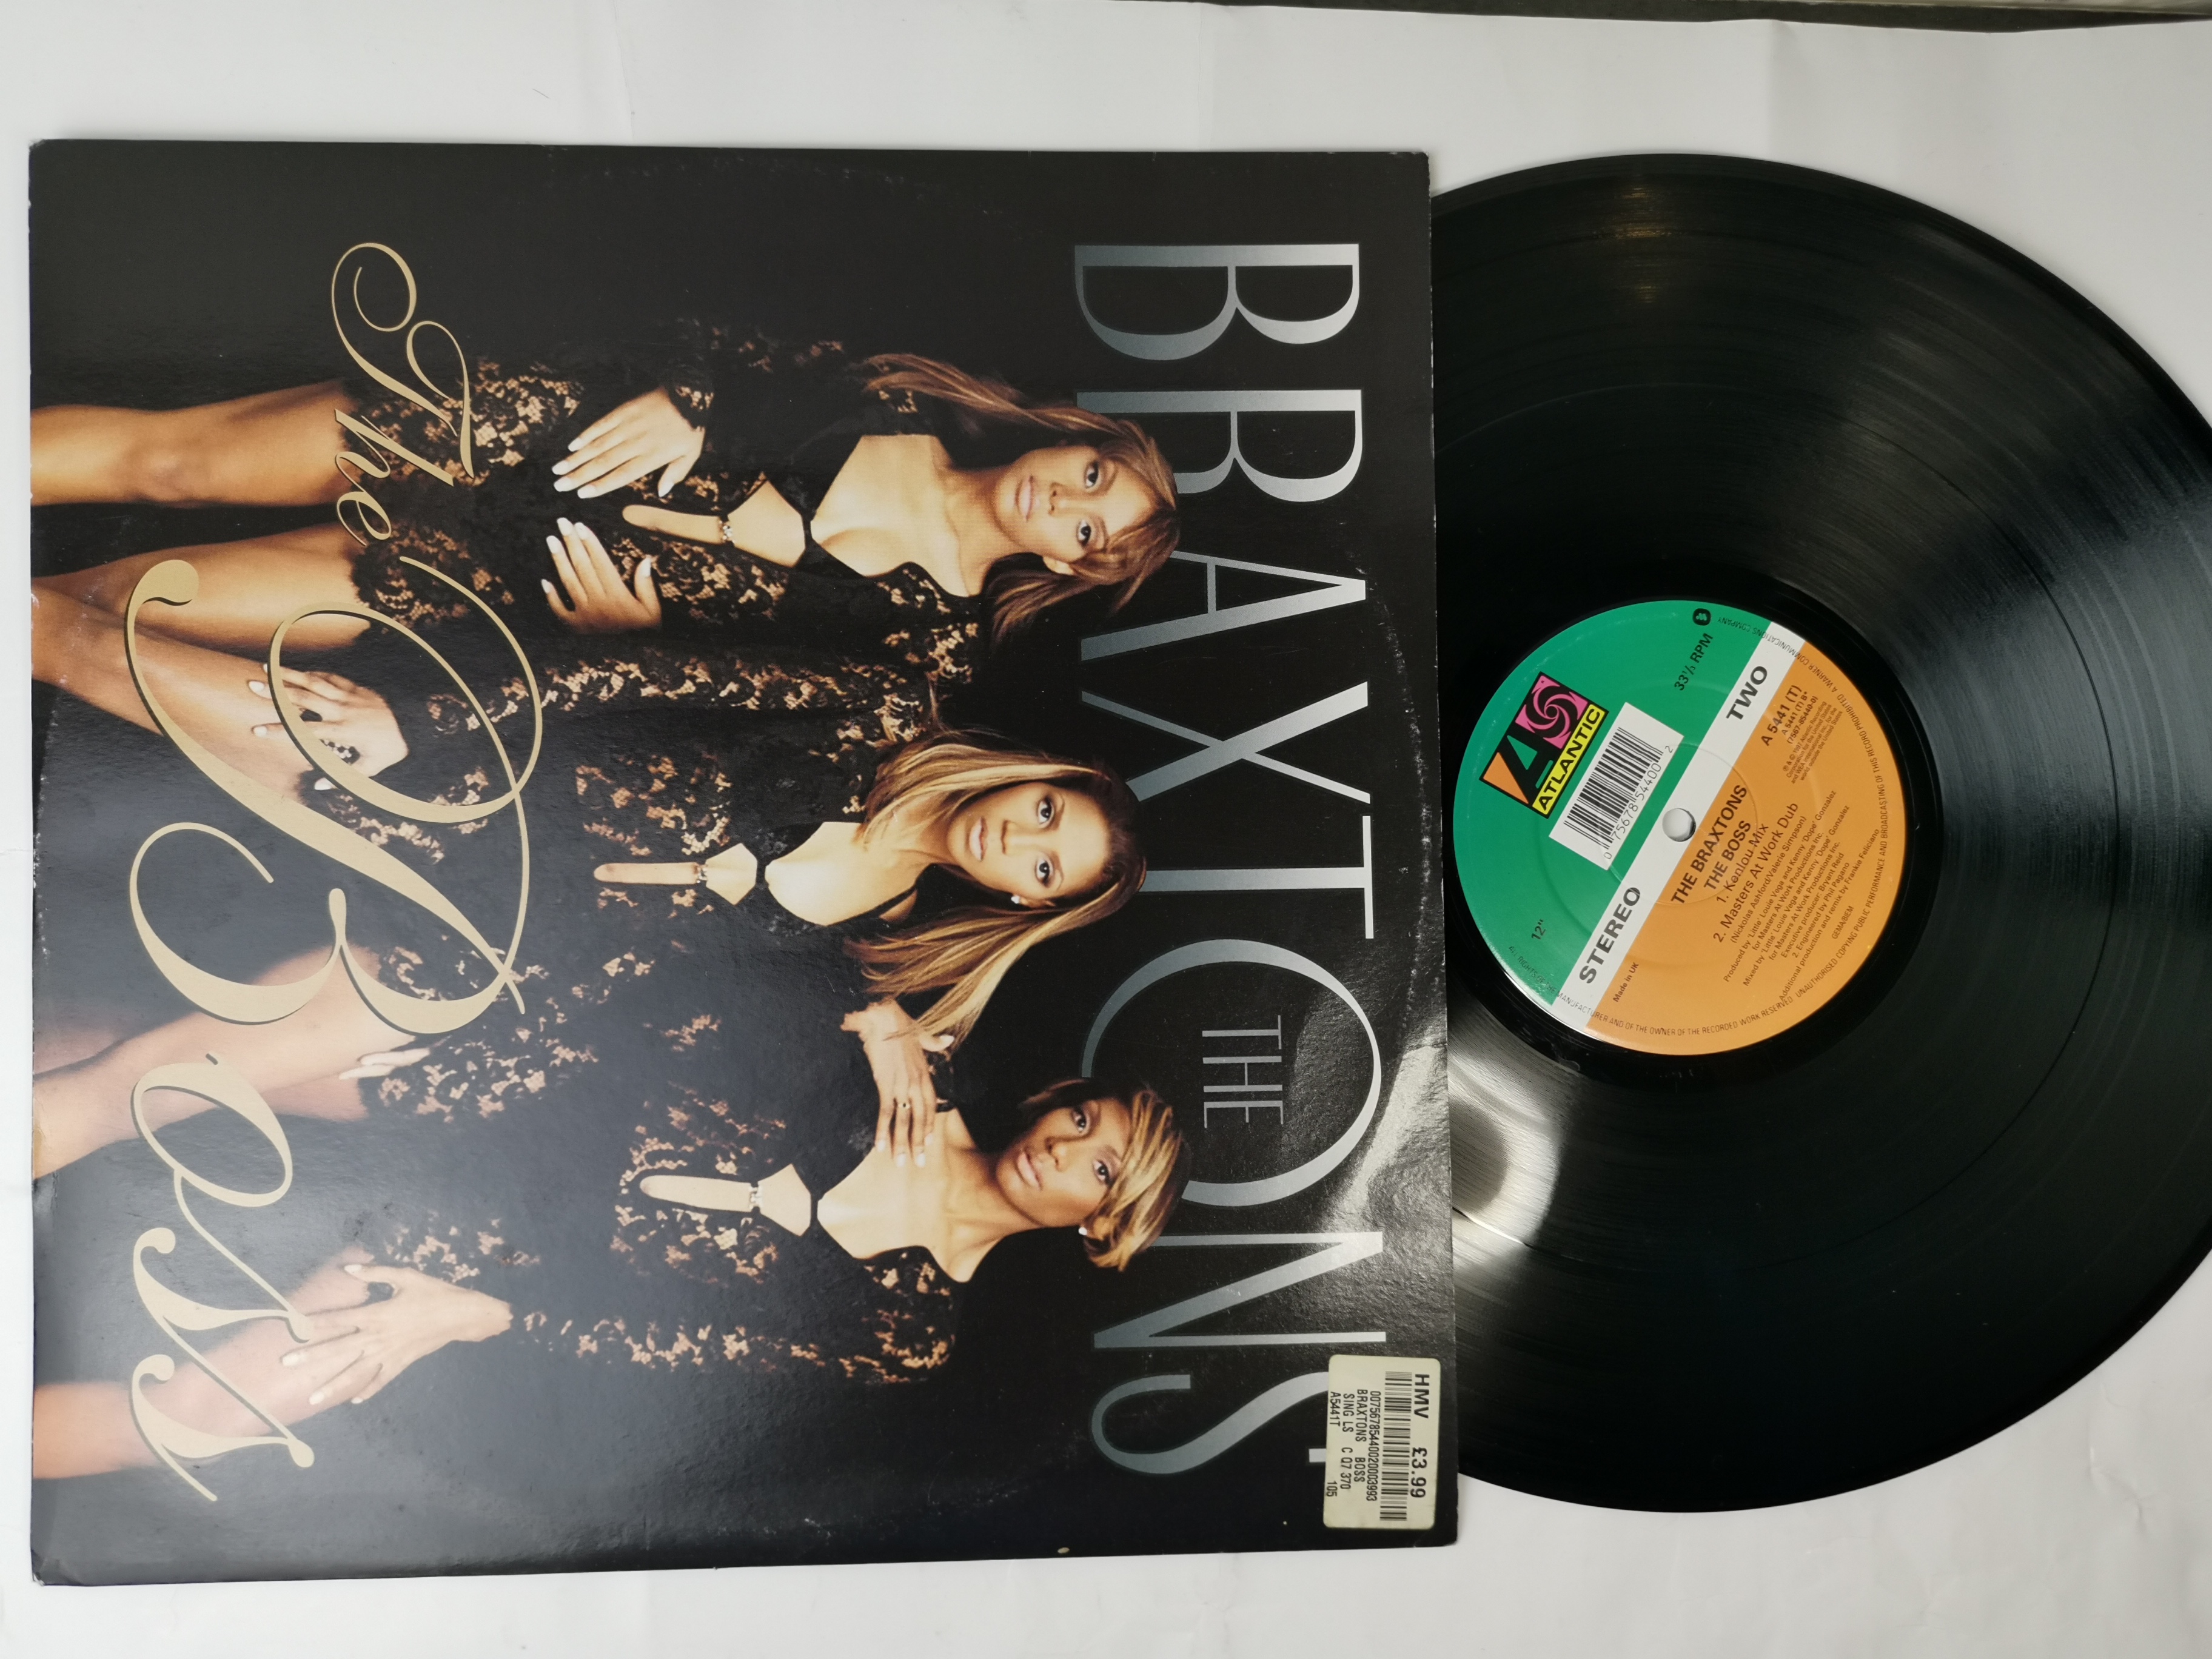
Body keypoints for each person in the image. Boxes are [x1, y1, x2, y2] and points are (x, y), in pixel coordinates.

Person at [30, 726, 1147, 1180]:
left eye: (1047, 867)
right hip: (483, 817)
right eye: (1047, 812)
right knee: (122, 978)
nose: (1022, 840)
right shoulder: (882, 721)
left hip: (478, 971)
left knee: (131, 1074)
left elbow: (689, 1022)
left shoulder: (886, 951)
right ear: (1029, 776)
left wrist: (882, 1018)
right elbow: (674, 691)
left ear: (1024, 902)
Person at [30, 1076, 1189, 1482]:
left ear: (1104, 1226)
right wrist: (882, 1021)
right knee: (153, 1074)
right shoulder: (914, 1079)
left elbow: (688, 1350)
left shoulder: (913, 1327)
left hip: (498, 1251)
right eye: (1085, 1119)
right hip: (521, 1100)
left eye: (1099, 1170)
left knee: (204, 1418)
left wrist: (473, 1312)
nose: (1063, 1149)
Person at [31, 335, 1182, 688]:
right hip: (522, 429)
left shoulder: (934, 645)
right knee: (171, 464)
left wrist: (645, 639)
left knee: (128, 605)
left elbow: (753, 703)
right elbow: (725, 331)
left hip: (489, 583)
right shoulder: (906, 388)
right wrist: (691, 401)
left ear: (1069, 568)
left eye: (1090, 531)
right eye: (1092, 473)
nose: (1065, 499)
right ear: (1071, 436)